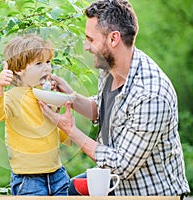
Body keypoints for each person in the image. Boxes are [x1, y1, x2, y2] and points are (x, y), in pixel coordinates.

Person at [39, 0, 190, 198]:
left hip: (152, 195)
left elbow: (122, 165)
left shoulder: (151, 94)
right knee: (68, 189)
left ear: (113, 39)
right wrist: (68, 97)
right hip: (118, 185)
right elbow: (102, 110)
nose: (86, 46)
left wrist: (70, 130)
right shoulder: (111, 68)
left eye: (90, 39)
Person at [0, 34, 71, 196]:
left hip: (57, 172)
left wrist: (61, 111)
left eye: (48, 62)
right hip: (28, 178)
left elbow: (59, 133)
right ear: (19, 69)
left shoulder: (47, 94)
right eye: (39, 63)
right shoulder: (13, 96)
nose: (47, 67)